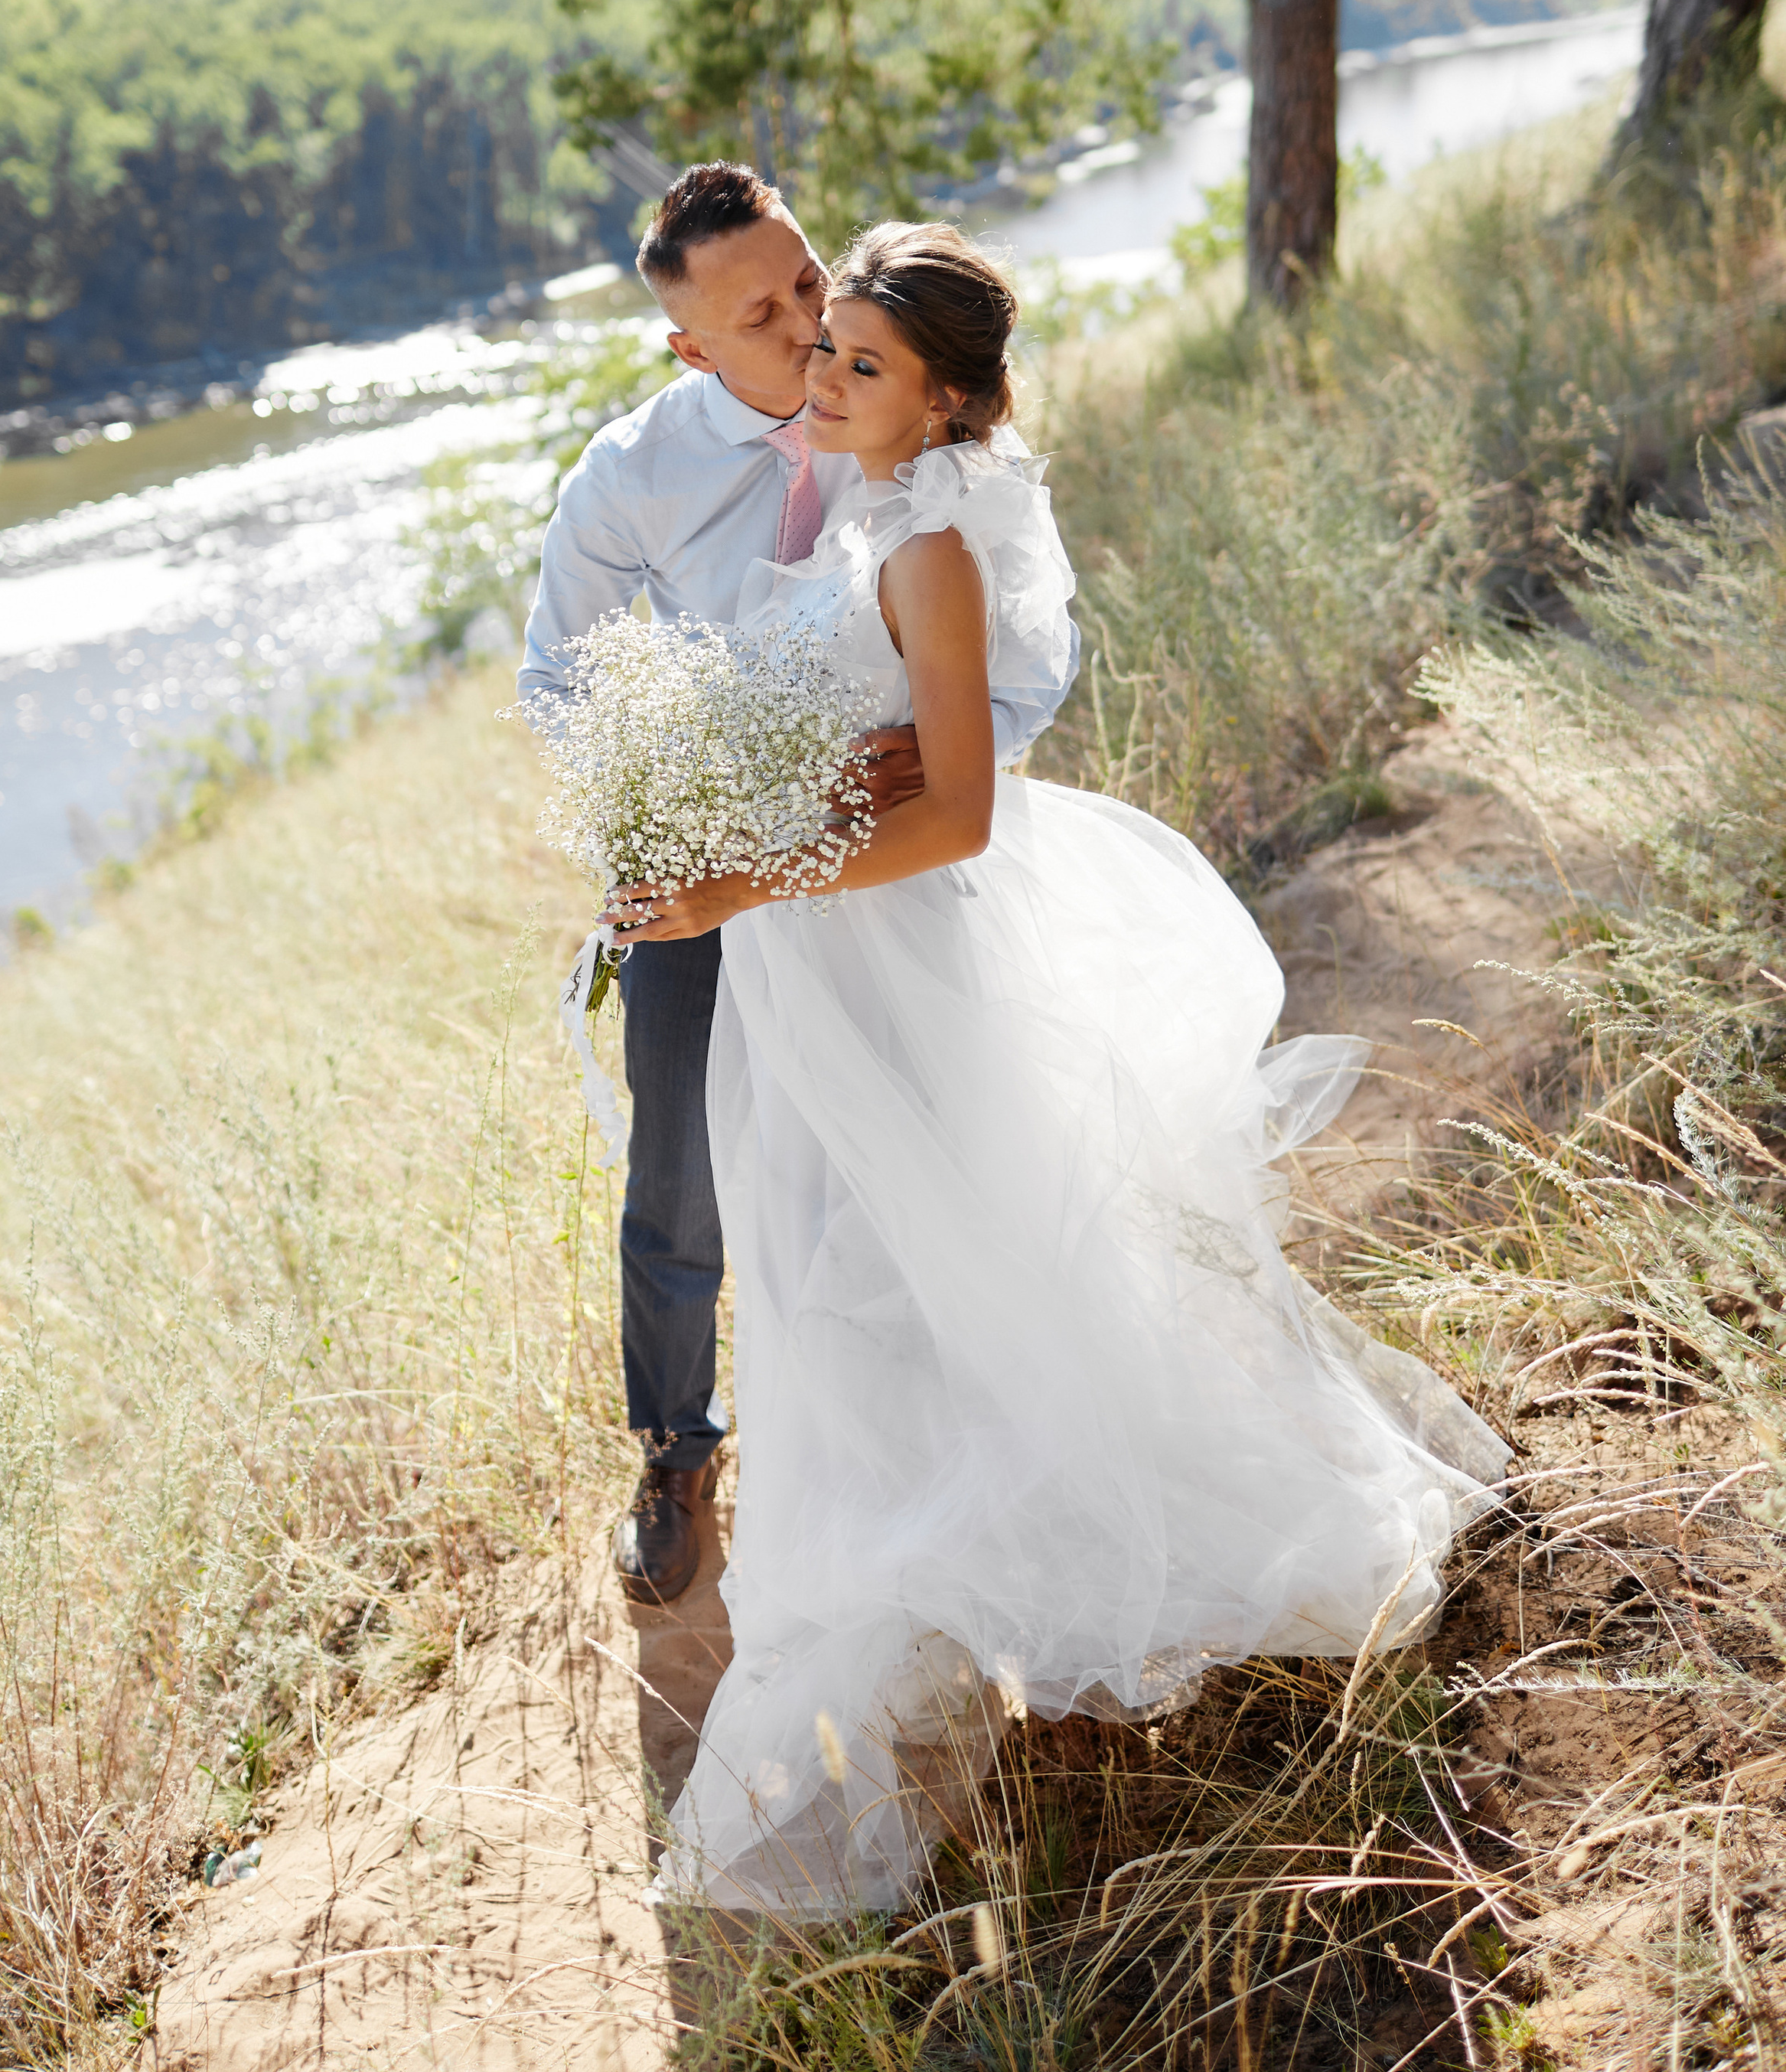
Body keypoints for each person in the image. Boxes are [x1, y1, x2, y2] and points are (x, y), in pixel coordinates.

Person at [609, 218, 1510, 1915]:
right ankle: (925, 1616)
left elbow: (958, 808)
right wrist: (707, 815)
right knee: (839, 1289)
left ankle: (976, 1609)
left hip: (890, 964)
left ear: (946, 402)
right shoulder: (873, 501)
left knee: (906, 1282)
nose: (820, 373)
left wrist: (738, 877)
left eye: (859, 362)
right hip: (818, 965)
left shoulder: (931, 545)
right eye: (820, 348)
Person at [516, 165, 1079, 1605]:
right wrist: (675, 820)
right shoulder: (631, 470)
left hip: (878, 869)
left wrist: (923, 761)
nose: (807, 321)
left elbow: (1022, 642)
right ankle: (675, 1450)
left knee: (891, 1168)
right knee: (682, 1174)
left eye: (807, 277)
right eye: (762, 315)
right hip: (703, 866)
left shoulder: (889, 403)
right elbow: (559, 679)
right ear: (690, 348)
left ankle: (921, 1464)